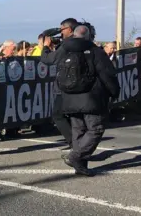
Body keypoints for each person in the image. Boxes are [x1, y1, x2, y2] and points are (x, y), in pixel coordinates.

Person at [49, 25, 120, 176]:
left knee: (78, 130)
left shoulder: (64, 50)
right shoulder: (95, 52)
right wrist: (115, 92)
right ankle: (75, 157)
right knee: (96, 129)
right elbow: (107, 75)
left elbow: (48, 61)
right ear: (88, 36)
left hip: (69, 97)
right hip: (91, 97)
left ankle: (80, 166)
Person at [41, 18, 78, 149]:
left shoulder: (68, 44)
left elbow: (48, 59)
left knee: (58, 115)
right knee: (72, 115)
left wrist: (45, 46)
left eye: (62, 29)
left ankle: (74, 143)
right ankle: (76, 141)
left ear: (69, 29)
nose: (60, 33)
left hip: (64, 85)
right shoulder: (80, 42)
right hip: (75, 84)